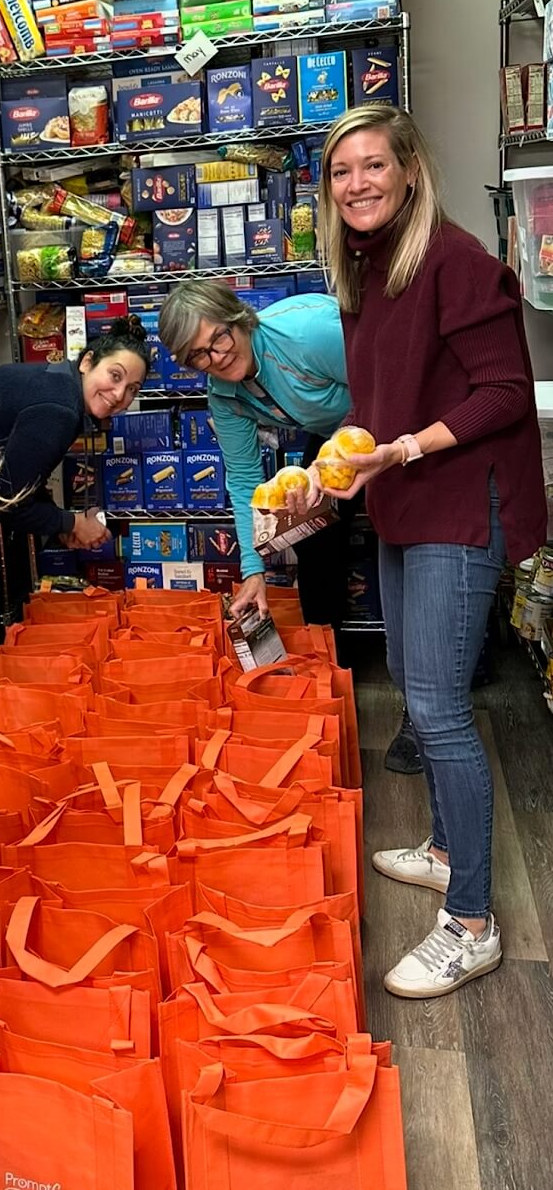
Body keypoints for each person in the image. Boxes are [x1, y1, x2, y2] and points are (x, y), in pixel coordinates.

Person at [316, 102, 545, 999]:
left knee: (442, 712)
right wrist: (335, 467)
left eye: (374, 165)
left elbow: (506, 392)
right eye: (341, 172)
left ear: (410, 169)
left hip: (460, 501)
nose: (358, 184)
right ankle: (448, 849)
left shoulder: (454, 260)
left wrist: (402, 449)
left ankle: (473, 924)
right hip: (405, 499)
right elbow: (380, 400)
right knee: (415, 683)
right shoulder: (366, 270)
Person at [0, 317, 151, 716]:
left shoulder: (60, 387)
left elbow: (23, 476)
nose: (119, 394)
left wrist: (61, 523)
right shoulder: (60, 408)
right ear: (87, 362)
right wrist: (70, 523)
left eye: (132, 388)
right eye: (114, 376)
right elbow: (7, 500)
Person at [157, 279, 353, 631]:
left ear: (240, 319)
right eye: (199, 354)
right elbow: (244, 477)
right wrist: (253, 570)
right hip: (333, 435)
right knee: (312, 538)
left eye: (219, 337)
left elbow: (391, 385)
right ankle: (326, 654)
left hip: (399, 416)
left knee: (400, 523)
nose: (217, 358)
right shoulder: (223, 395)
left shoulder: (309, 334)